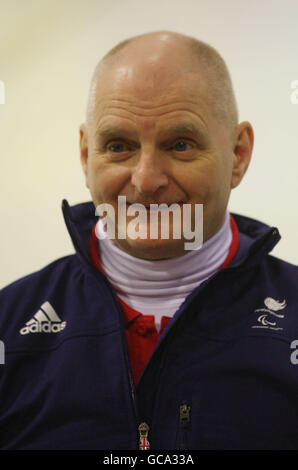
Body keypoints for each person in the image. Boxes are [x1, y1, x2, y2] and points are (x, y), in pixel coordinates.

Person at [0, 30, 297, 451]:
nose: (146, 180)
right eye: (119, 146)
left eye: (180, 144)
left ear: (238, 153)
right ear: (87, 156)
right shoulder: (8, 328)